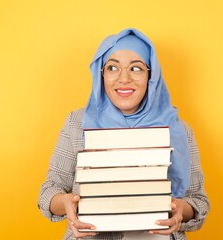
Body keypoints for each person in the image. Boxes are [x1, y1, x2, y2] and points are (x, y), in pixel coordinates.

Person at [38, 28, 210, 240]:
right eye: (112, 68)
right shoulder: (77, 123)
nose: (124, 78)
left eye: (136, 68)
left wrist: (179, 210)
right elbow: (48, 192)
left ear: (151, 75)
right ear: (101, 74)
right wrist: (65, 203)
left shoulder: (178, 130)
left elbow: (198, 202)